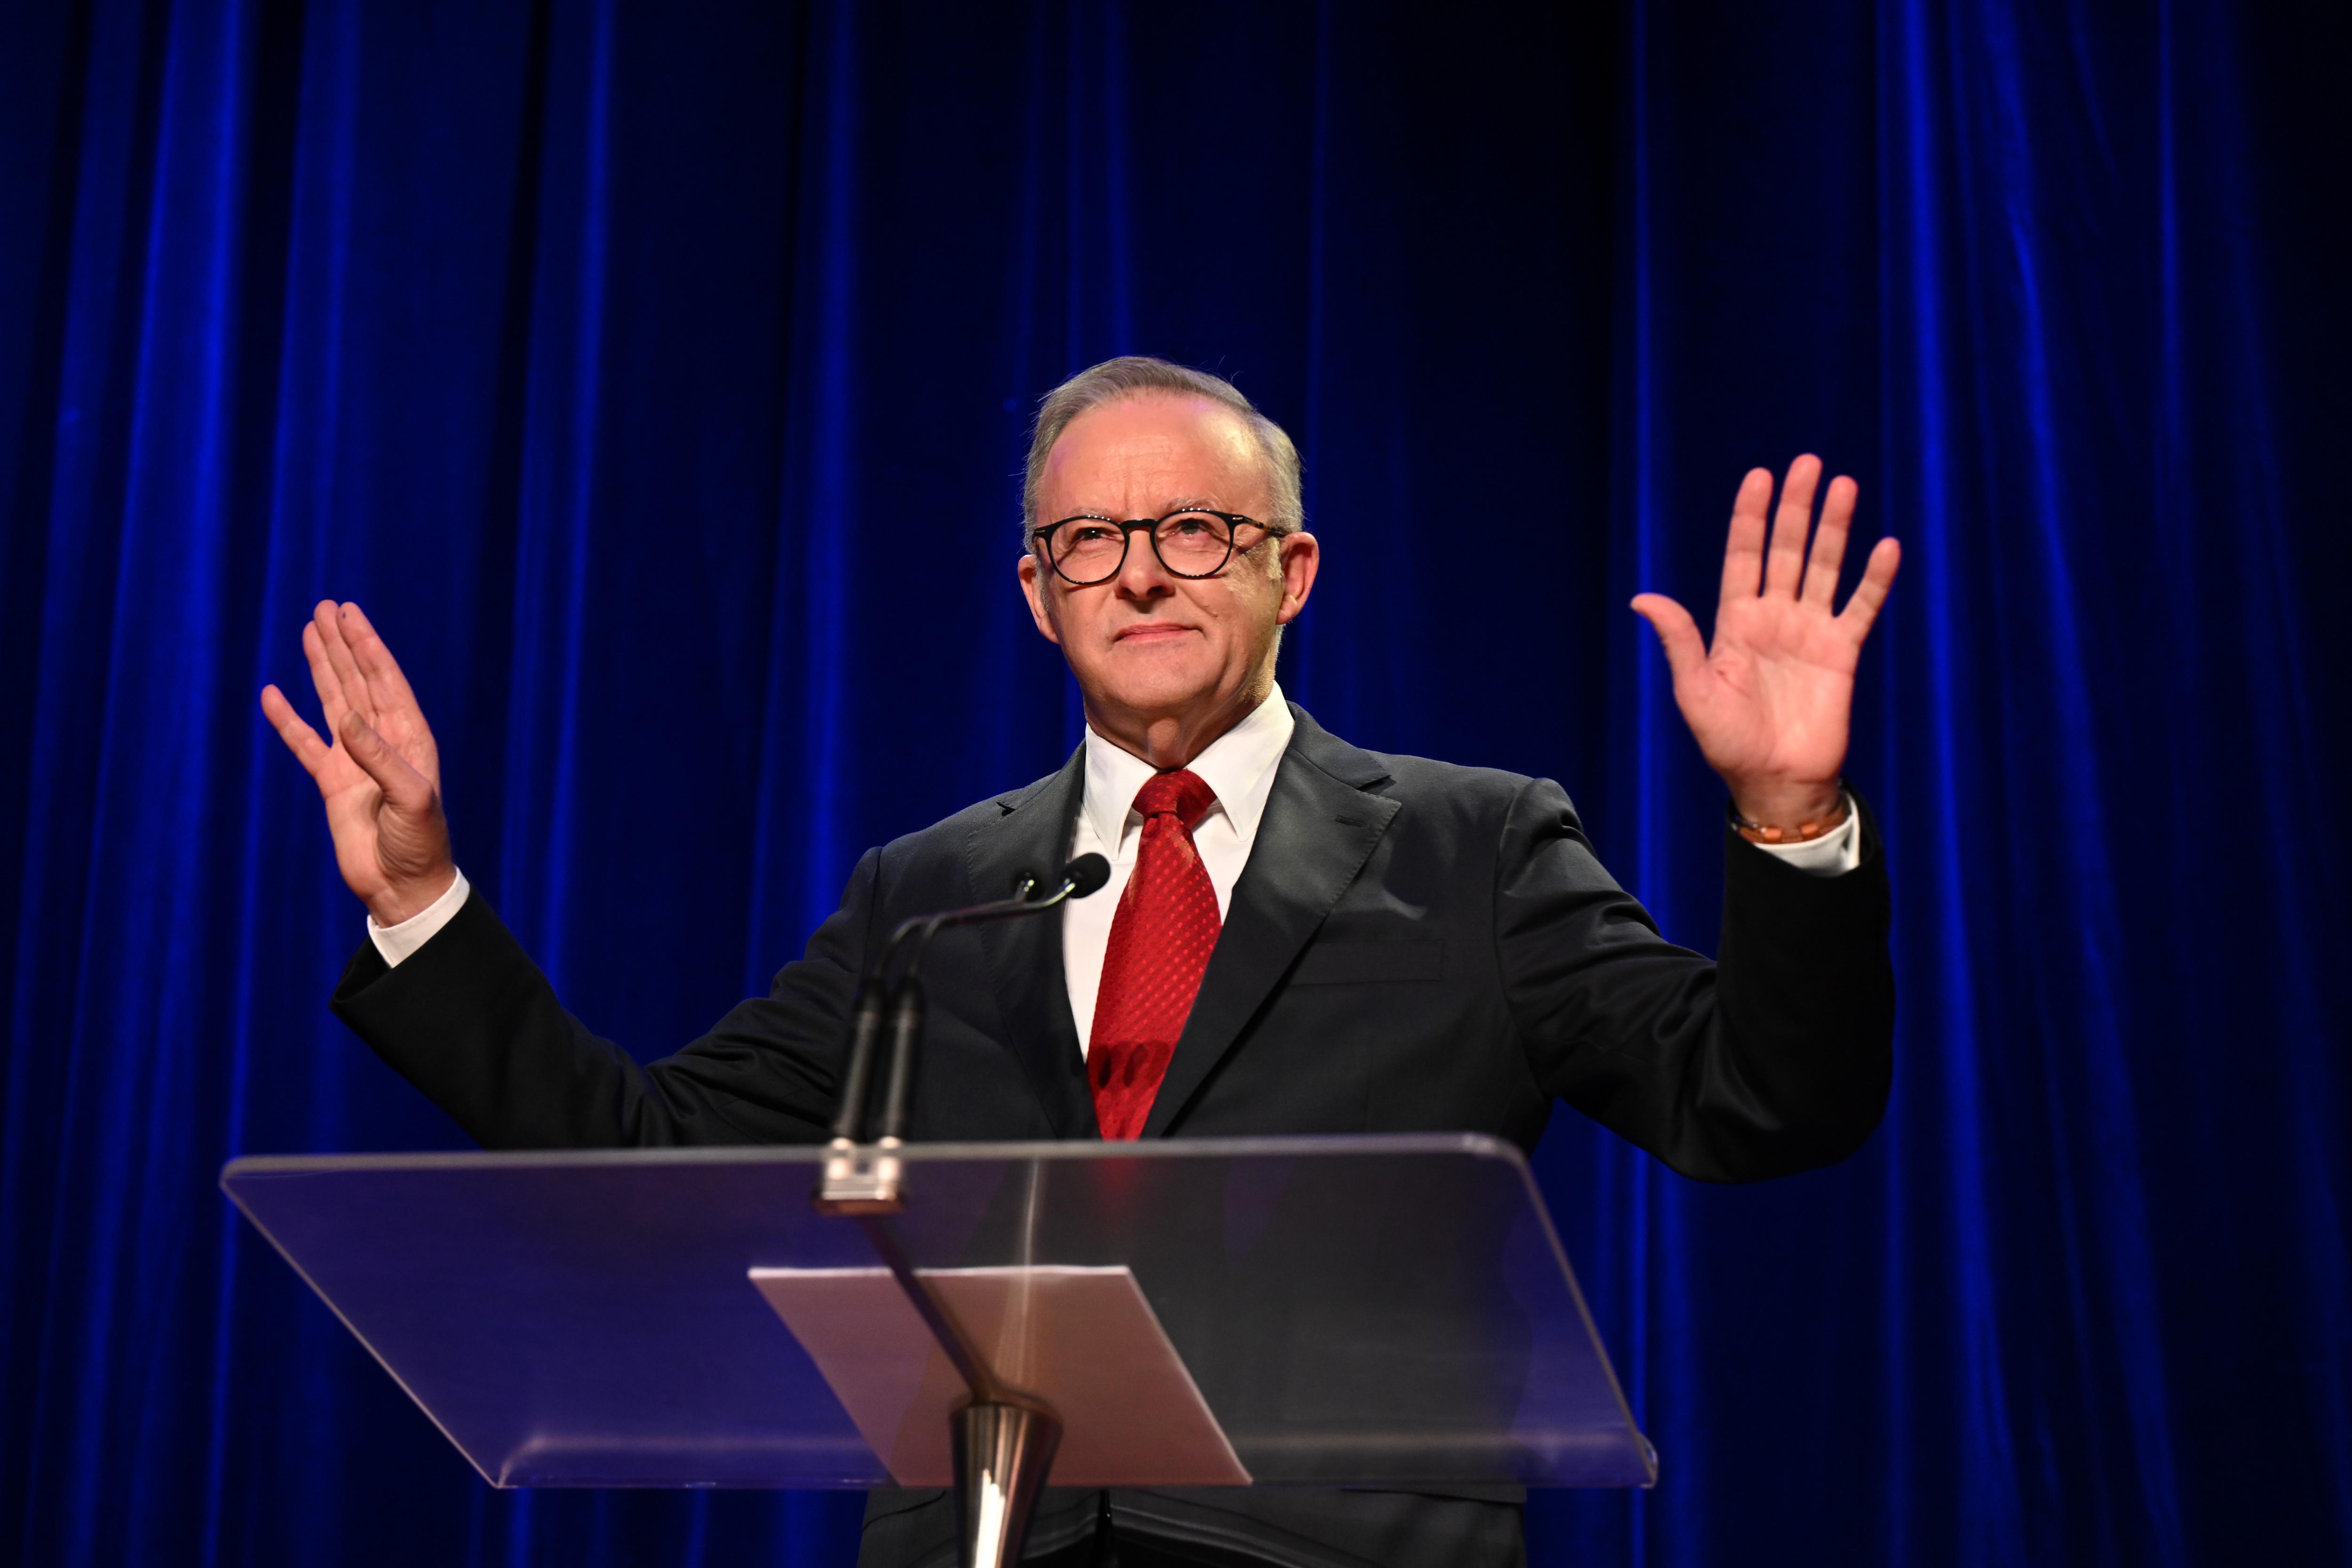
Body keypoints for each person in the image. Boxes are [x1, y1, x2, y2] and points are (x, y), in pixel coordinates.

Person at [261, 356, 1900, 1568]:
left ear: (1290, 573)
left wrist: (1792, 816)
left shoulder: (1474, 847)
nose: (1138, 571)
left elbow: (1758, 1105)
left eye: (1194, 528)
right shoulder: (936, 891)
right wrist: (426, 901)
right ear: (1039, 598)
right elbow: (639, 1168)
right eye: (1089, 542)